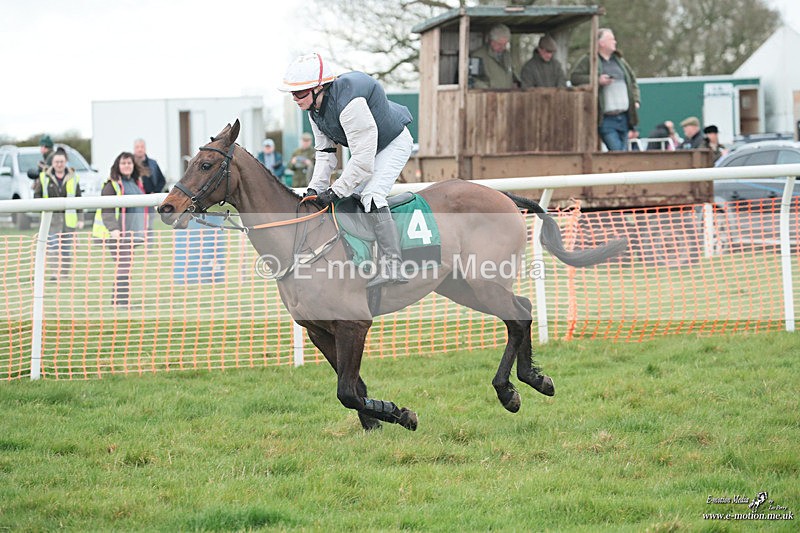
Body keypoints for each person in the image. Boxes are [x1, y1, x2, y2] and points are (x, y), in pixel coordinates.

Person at [278, 52, 413, 287]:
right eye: (292, 93)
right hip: (369, 150)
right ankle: (362, 261)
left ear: (319, 88)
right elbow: (326, 154)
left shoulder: (350, 105)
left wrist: (333, 191)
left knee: (371, 196)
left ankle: (394, 265)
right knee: (348, 200)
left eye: (299, 93)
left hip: (393, 143)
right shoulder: (314, 110)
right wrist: (315, 189)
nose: (295, 98)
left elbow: (362, 161)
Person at [570, 28, 640, 151]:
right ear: (601, 43)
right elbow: (575, 78)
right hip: (606, 117)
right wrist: (597, 80)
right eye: (611, 39)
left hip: (624, 117)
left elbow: (632, 81)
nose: (615, 42)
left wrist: (636, 100)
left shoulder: (620, 61)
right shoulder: (589, 60)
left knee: (622, 153)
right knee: (617, 152)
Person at [92, 152, 146, 307]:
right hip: (117, 234)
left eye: (129, 163)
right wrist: (113, 229)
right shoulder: (111, 185)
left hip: (131, 234)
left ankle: (119, 300)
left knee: (126, 266)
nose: (127, 166)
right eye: (123, 163)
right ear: (117, 166)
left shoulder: (136, 183)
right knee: (124, 265)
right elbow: (106, 210)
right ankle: (120, 302)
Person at [33, 147, 83, 279]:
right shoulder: (44, 177)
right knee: (53, 248)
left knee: (66, 250)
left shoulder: (74, 178)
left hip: (68, 221)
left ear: (66, 161)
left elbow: (79, 199)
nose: (59, 164)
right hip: (51, 220)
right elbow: (37, 196)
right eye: (56, 162)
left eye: (61, 161)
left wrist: (81, 218)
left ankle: (64, 274)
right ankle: (54, 274)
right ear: (52, 163)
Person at [469, 23, 518, 89]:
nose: (503, 47)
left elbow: (512, 76)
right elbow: (472, 81)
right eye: (500, 44)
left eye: (505, 44)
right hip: (487, 97)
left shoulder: (507, 55)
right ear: (492, 41)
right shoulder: (477, 57)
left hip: (506, 97)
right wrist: (488, 91)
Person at [133, 138, 166, 231]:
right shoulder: (130, 163)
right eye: (137, 147)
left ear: (145, 148)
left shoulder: (153, 163)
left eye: (142, 147)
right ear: (134, 149)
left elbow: (162, 180)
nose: (140, 149)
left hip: (150, 201)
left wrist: (155, 193)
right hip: (135, 201)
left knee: (149, 226)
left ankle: (149, 244)